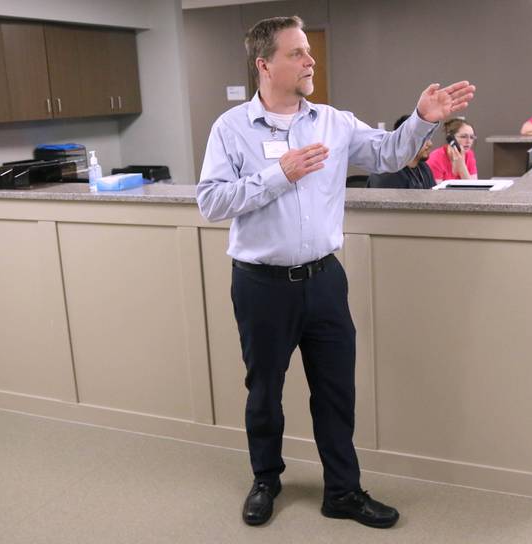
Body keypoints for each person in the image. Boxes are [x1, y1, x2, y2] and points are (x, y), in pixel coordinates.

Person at [196, 15, 475, 529]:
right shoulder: (229, 129)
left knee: (335, 391)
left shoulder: (333, 121)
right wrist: (279, 174)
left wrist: (421, 117)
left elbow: (390, 151)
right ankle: (266, 478)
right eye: (297, 53)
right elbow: (211, 202)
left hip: (324, 280)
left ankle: (343, 492)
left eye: (309, 51)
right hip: (260, 285)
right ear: (265, 64)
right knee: (264, 391)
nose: (310, 60)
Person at [366, 115, 435, 189]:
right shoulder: (387, 174)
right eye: (424, 139)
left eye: (429, 138)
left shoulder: (423, 168)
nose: (430, 144)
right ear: (405, 139)